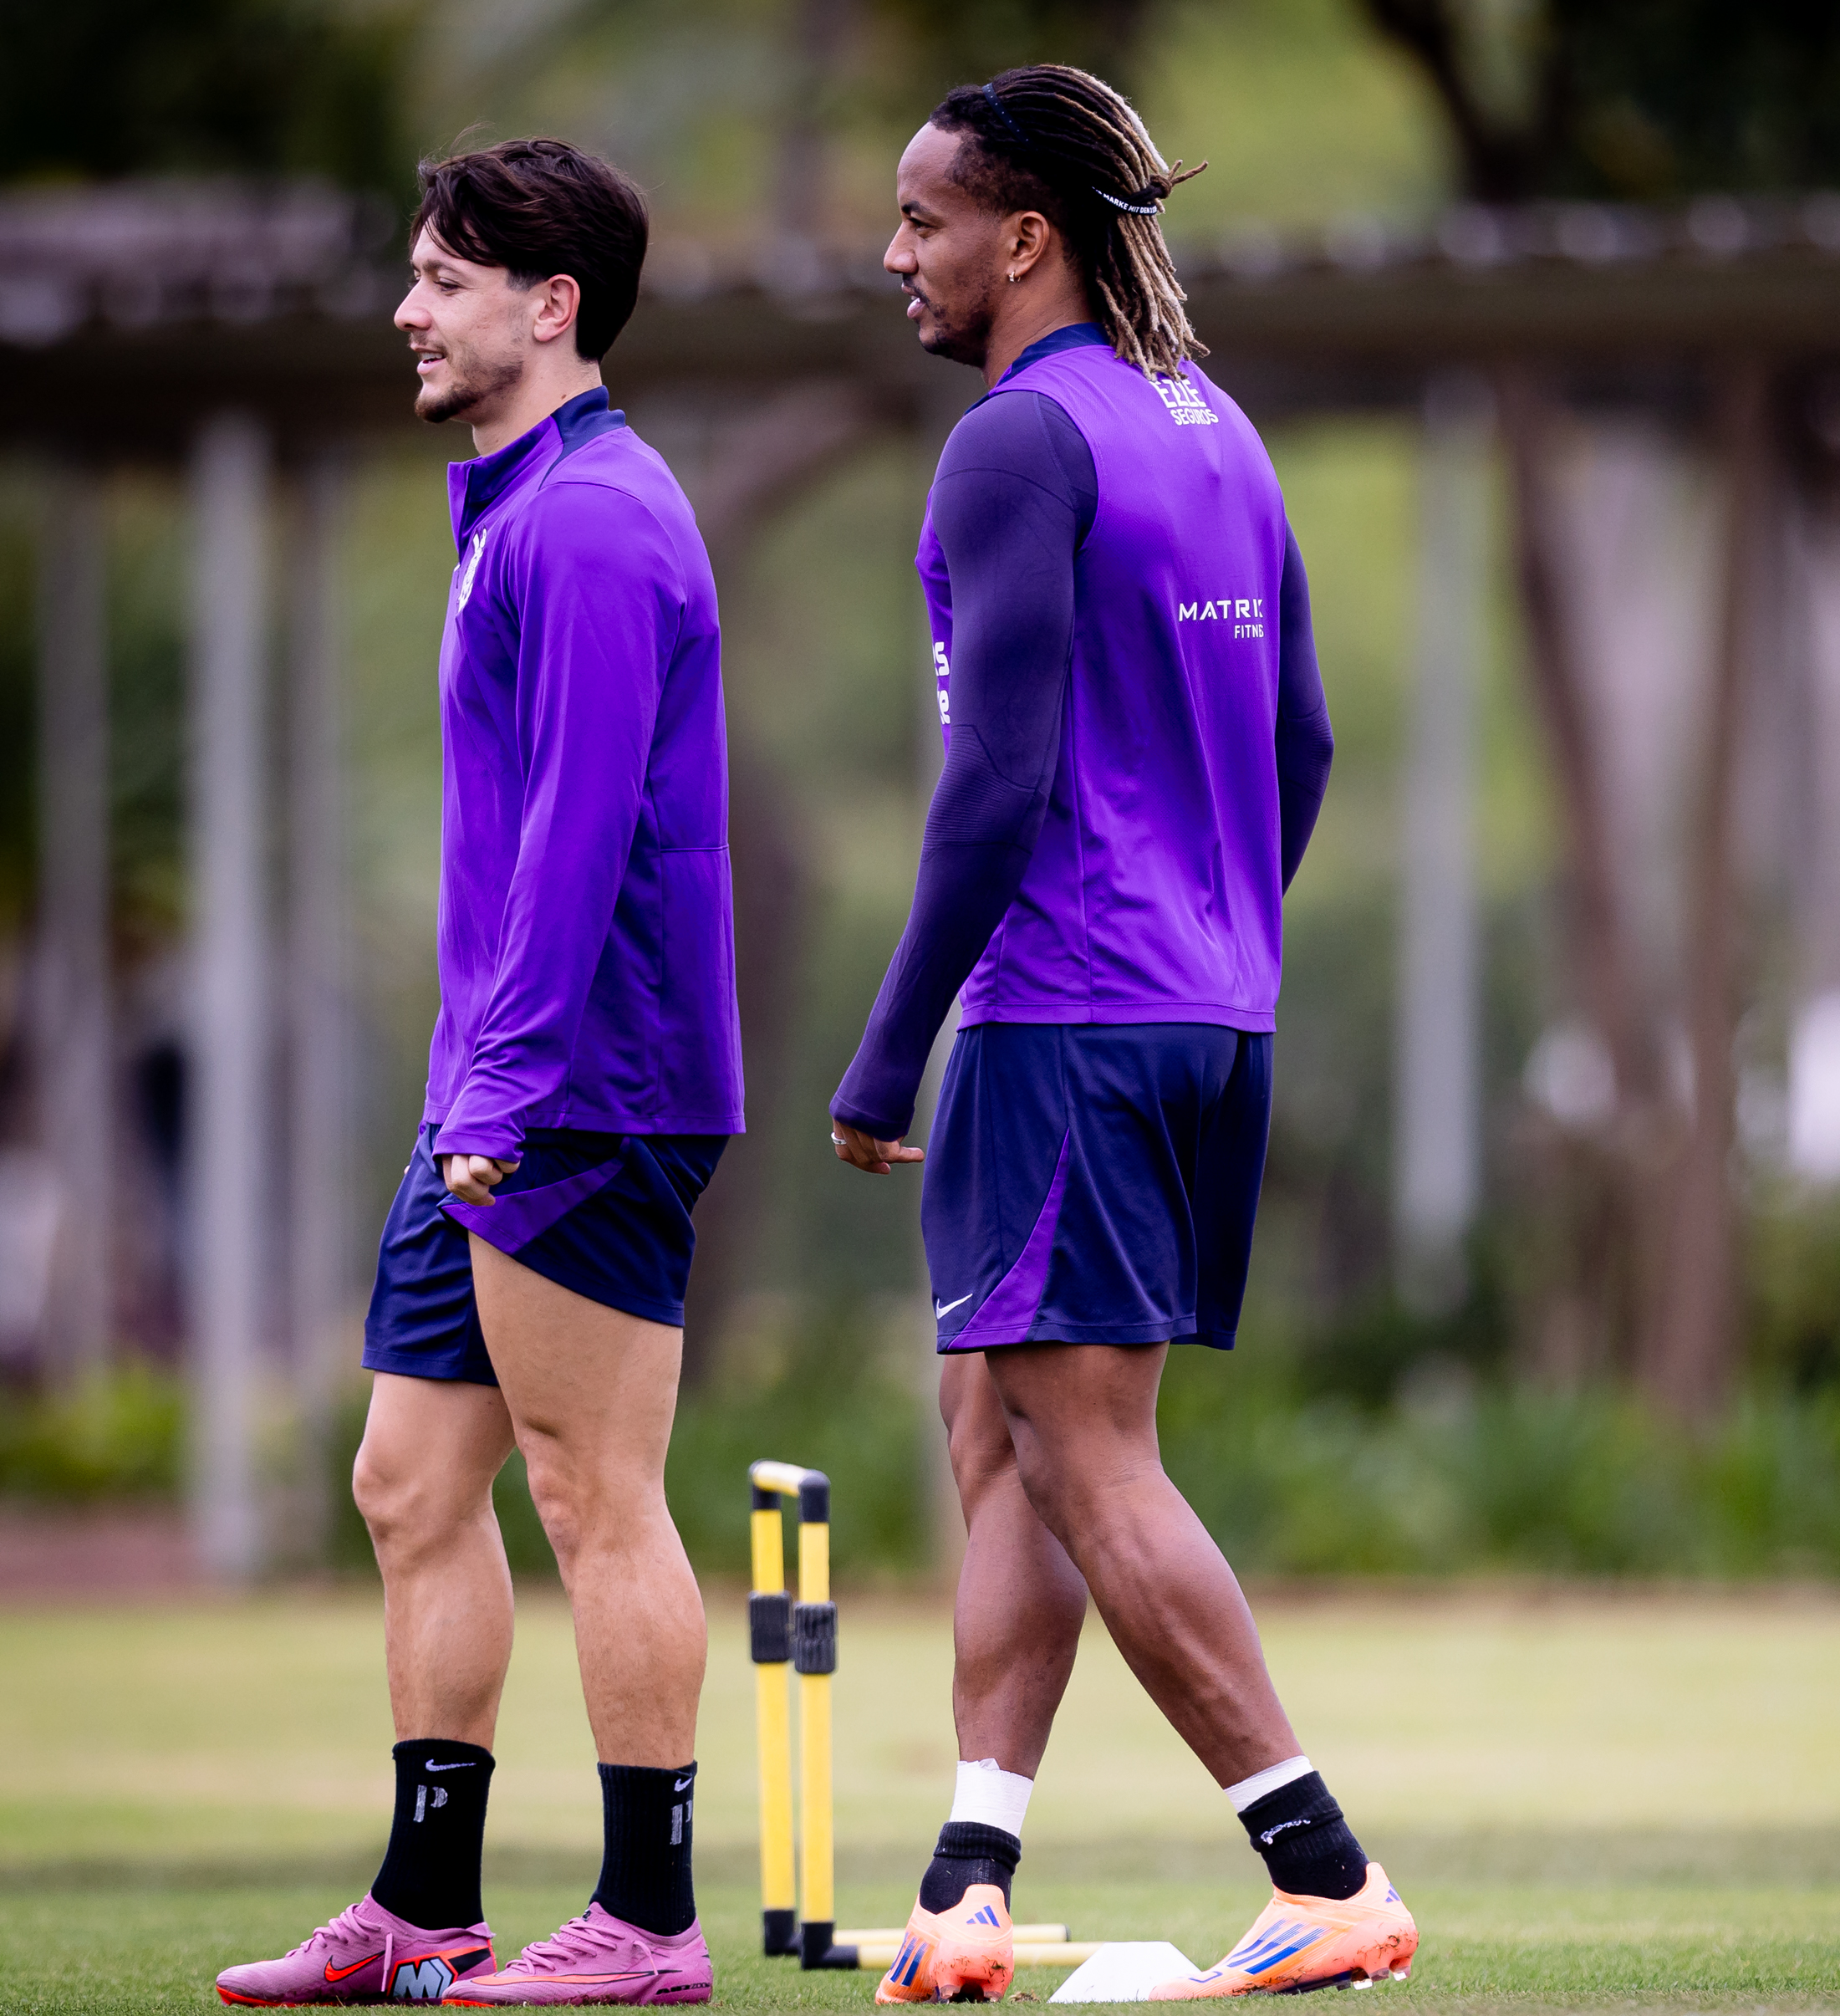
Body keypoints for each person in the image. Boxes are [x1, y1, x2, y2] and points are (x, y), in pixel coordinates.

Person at [828, 64, 1416, 2004]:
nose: (893, 253)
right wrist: (1225, 921)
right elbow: (1302, 742)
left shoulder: (1016, 441)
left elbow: (993, 784)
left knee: (1085, 1455)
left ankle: (1322, 1872)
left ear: (1024, 240)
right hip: (1197, 1012)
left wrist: (886, 1048)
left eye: (921, 221)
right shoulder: (1216, 427)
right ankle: (969, 1881)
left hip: (1066, 1008)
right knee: (998, 1426)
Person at [213, 138, 739, 2011]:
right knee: (408, 1480)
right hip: (497, 1087)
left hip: (579, 1089)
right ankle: (424, 1907)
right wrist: (470, 1093)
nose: (406, 309)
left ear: (551, 304)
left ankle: (651, 1928)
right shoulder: (520, 510)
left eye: (441, 279)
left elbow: (583, 839)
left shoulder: (594, 521)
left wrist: (502, 1099)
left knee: (596, 1491)